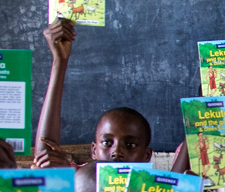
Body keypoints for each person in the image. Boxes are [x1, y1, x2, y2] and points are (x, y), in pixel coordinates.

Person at [28, 18, 155, 175]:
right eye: (107, 142)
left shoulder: (151, 190)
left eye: (130, 145)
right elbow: (46, 158)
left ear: (147, 156)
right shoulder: (82, 177)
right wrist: (59, 61)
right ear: (94, 151)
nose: (117, 152)